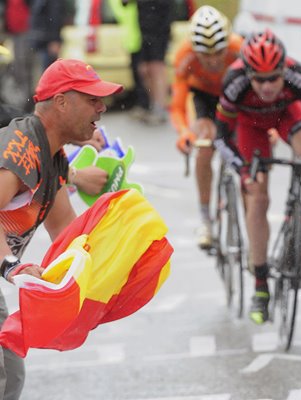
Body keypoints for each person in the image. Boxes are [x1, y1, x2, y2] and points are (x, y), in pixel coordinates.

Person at [0, 58, 122, 399]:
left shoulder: (52, 156)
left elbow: (68, 235)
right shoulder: (22, 145)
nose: (102, 107)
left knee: (9, 375)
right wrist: (11, 264)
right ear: (62, 102)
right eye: (92, 99)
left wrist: (119, 258)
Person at [214, 29, 301, 324]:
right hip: (249, 126)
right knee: (257, 195)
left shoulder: (298, 76)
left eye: (273, 79)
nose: (266, 86)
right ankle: (261, 284)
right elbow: (221, 137)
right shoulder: (234, 82)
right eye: (259, 80)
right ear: (249, 74)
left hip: (286, 115)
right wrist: (243, 169)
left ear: (283, 71)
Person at [170, 5, 243, 250]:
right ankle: (206, 219)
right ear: (195, 50)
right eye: (205, 54)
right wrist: (184, 133)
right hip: (204, 98)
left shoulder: (239, 49)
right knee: (204, 143)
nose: (212, 60)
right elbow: (178, 106)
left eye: (219, 52)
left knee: (247, 145)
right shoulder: (185, 55)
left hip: (235, 95)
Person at [136, 0, 174, 125]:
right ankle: (153, 105)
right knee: (144, 70)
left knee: (156, 68)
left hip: (159, 30)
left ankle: (159, 109)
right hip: (143, 31)